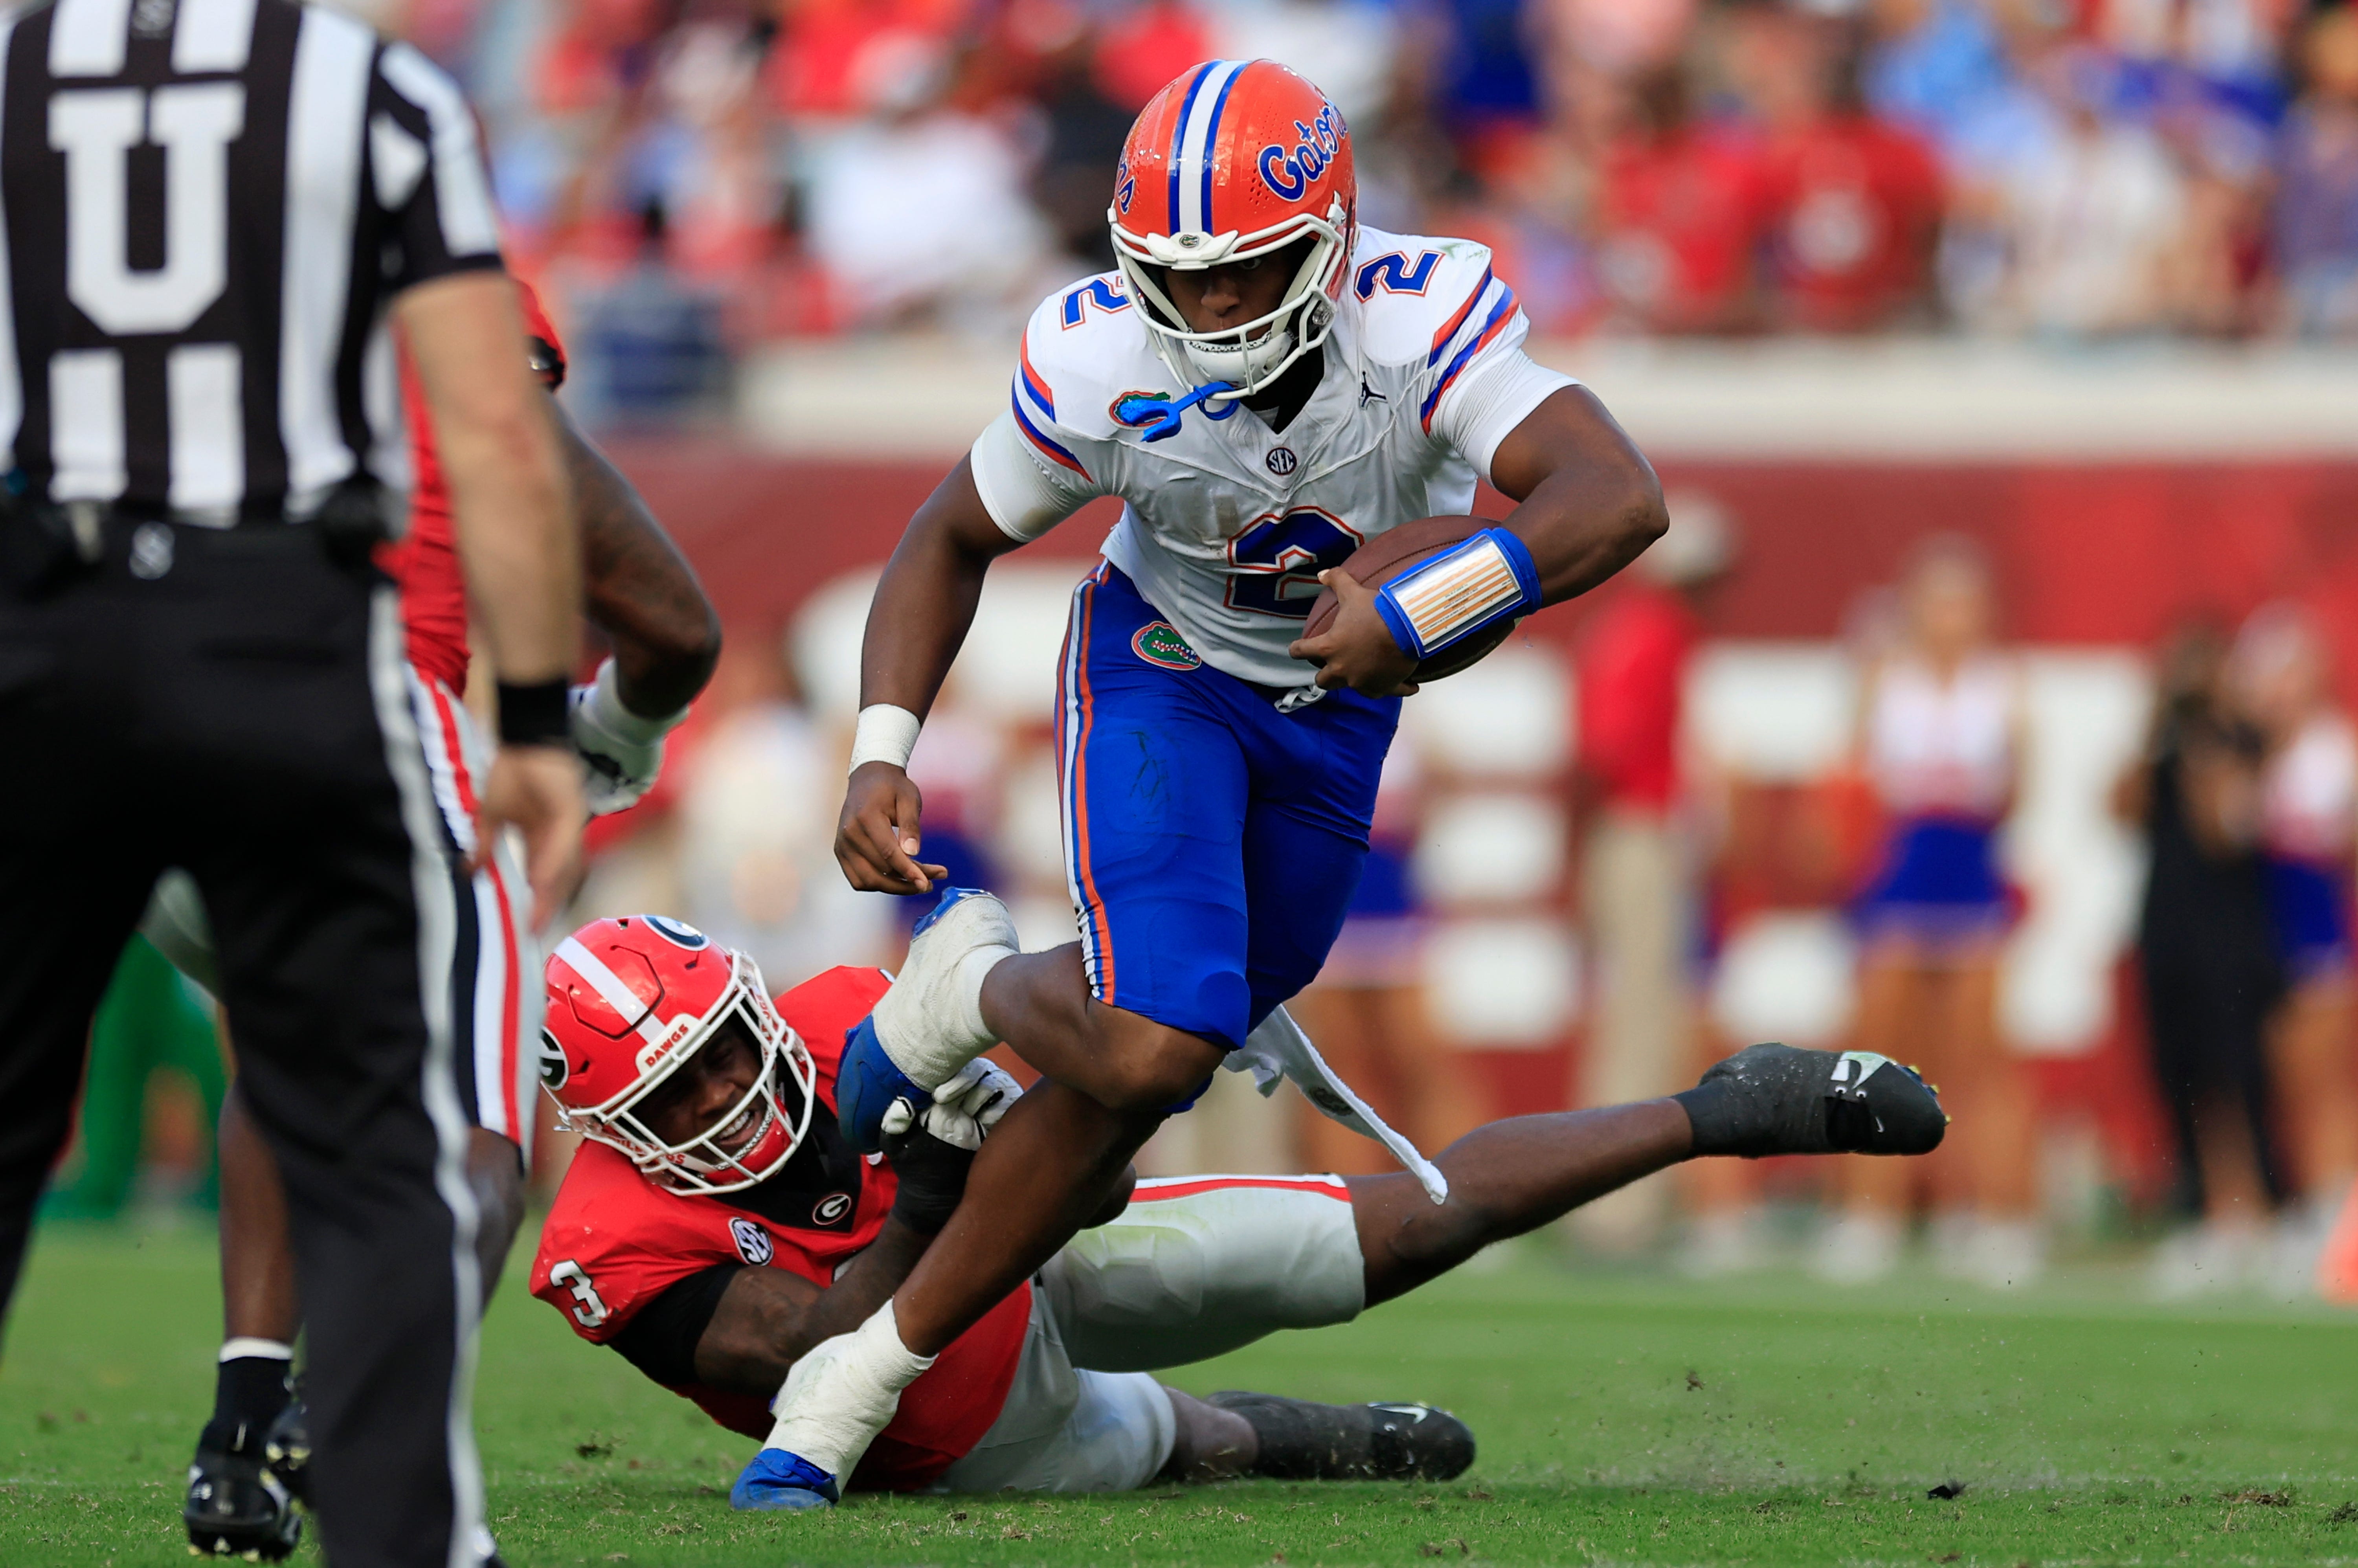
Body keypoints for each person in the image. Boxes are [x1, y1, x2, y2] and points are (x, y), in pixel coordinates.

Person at [793, 57, 1673, 1509]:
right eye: (1178, 280)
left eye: (1245, 274)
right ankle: (958, 998)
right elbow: (951, 534)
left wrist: (1433, 606)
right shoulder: (1094, 355)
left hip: (1335, 718)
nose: (1208, 313)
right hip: (1165, 670)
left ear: (1329, 243)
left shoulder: (1423, 309)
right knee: (1151, 1042)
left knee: (1138, 1099)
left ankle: (862, 1372)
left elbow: (1616, 492)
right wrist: (880, 746)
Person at [0, 5, 582, 1565]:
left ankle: (251, 1414)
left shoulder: (12, 74)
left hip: (41, 623)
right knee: (387, 1138)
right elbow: (495, 429)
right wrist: (532, 717)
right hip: (290, 636)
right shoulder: (371, 94)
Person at [529, 915, 1946, 1500]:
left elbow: (1083, 1146)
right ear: (608, 1133)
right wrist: (946, 1176)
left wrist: (1145, 1029)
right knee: (1174, 1440)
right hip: (942, 1413)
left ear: (750, 1003)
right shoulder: (607, 1249)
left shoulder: (857, 1018)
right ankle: (1292, 1435)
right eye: (678, 1096)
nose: (724, 1095)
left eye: (724, 1047)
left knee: (1397, 1222)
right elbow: (829, 1353)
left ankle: (1727, 1110)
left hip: (1027, 1255)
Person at [154, 280, 721, 1561]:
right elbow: (675, 624)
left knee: (283, 1040)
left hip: (147, 746)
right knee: (479, 1143)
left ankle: (243, 1431)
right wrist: (609, 743)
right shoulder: (463, 347)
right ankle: (360, 1420)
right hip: (356, 723)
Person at [1820, 536, 2037, 1289]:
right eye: (1940, 601)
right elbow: (1853, 779)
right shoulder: (1885, 677)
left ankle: (1992, 1214)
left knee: (1979, 1055)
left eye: (1966, 603)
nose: (1953, 617)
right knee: (1880, 1048)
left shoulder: (2002, 684)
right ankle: (1871, 1215)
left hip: (1969, 872)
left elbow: (2016, 791)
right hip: (1901, 872)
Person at [1570, 492, 1734, 1250]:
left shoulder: (1628, 629)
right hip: (1641, 831)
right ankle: (1620, 1210)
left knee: (1638, 1017)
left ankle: (1619, 1203)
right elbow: (1610, 749)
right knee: (1641, 1020)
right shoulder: (1657, 632)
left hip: (1629, 832)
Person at [2116, 621, 2288, 1296]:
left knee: (2237, 1073)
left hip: (2232, 933)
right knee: (2181, 1072)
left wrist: (2212, 752)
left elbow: (2224, 830)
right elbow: (2120, 809)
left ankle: (2259, 1210)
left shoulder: (2243, 744)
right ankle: (2205, 1210)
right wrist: (2157, 729)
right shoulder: (2161, 748)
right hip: (2169, 931)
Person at [2230, 604, 2358, 1275]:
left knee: (2324, 1081)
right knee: (2278, 1077)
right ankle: (2295, 1205)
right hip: (2259, 936)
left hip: (2319, 936)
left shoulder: (2337, 751)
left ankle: (2334, 1211)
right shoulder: (2242, 757)